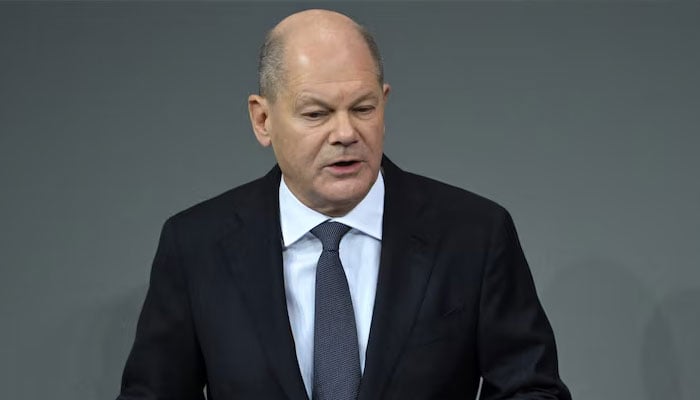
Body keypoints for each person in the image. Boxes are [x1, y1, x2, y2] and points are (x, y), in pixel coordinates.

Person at [117, 9, 571, 400]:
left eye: (363, 108)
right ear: (262, 119)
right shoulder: (195, 245)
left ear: (384, 102)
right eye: (316, 114)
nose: (346, 133)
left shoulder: (475, 234)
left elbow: (532, 389)